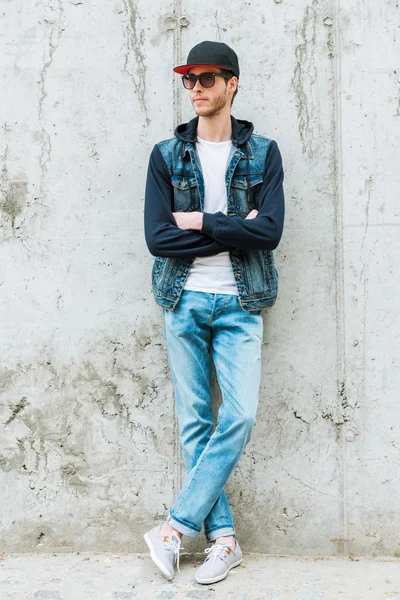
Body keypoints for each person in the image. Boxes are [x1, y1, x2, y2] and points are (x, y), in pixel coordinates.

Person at [143, 40, 285, 585]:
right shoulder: (165, 156)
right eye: (188, 80)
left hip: (241, 301)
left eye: (207, 78)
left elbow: (269, 232)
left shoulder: (263, 153)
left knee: (240, 415)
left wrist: (199, 222)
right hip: (182, 300)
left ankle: (175, 528)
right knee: (196, 421)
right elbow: (158, 239)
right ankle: (223, 539)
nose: (196, 88)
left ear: (232, 84)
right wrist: (232, 224)